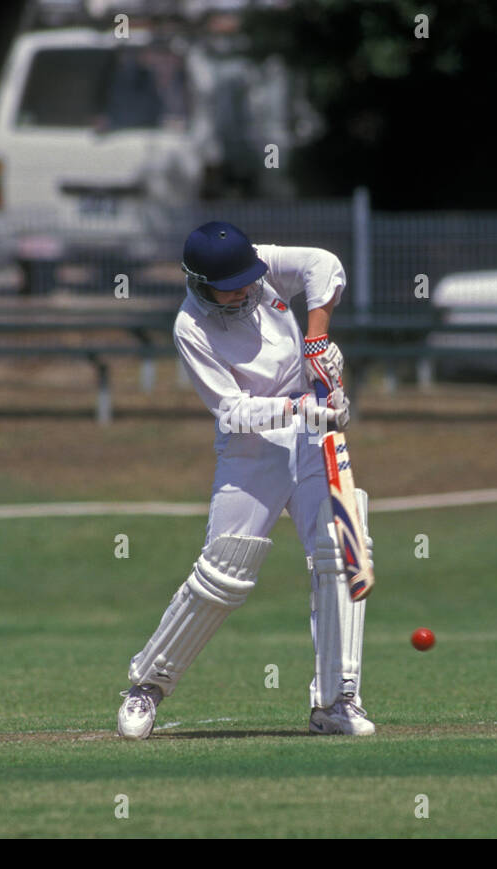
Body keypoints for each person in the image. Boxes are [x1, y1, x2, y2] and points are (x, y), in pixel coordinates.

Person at [116, 221, 374, 739]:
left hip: (308, 440)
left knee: (340, 551)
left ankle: (337, 699)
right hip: (250, 450)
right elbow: (231, 411)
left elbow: (322, 262)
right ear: (199, 282)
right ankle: (147, 686)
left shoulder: (257, 268)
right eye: (230, 284)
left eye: (248, 279)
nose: (244, 288)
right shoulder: (191, 327)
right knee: (223, 575)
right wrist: (301, 406)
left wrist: (318, 338)